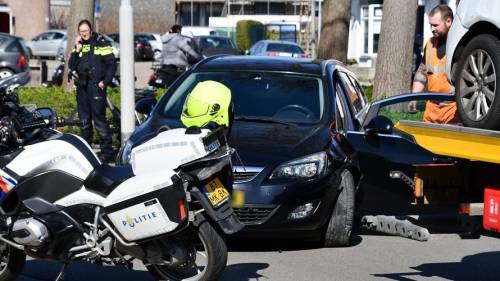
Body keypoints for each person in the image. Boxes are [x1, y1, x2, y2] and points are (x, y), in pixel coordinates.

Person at [68, 19, 116, 163]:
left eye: (86, 31)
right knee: (84, 121)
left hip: (96, 86)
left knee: (99, 120)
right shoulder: (79, 46)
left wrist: (105, 81)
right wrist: (77, 50)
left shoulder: (101, 44)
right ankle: (86, 150)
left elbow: (112, 65)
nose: (84, 34)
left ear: (91, 30)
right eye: (81, 32)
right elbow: (71, 65)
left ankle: (107, 152)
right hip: (82, 87)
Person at [410, 4, 459, 124]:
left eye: (435, 25)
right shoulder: (430, 44)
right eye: (430, 25)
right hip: (431, 111)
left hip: (453, 112)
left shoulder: (460, 46)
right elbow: (422, 73)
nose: (432, 29)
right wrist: (414, 99)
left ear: (449, 21)